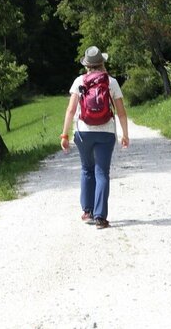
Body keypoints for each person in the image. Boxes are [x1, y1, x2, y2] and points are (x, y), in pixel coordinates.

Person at [60, 46, 129, 229]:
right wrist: (125, 135)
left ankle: (87, 211)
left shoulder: (79, 81)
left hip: (83, 133)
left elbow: (71, 110)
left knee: (86, 169)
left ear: (87, 65)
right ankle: (100, 218)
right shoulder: (111, 82)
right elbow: (121, 112)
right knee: (101, 172)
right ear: (102, 63)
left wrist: (65, 134)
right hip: (106, 133)